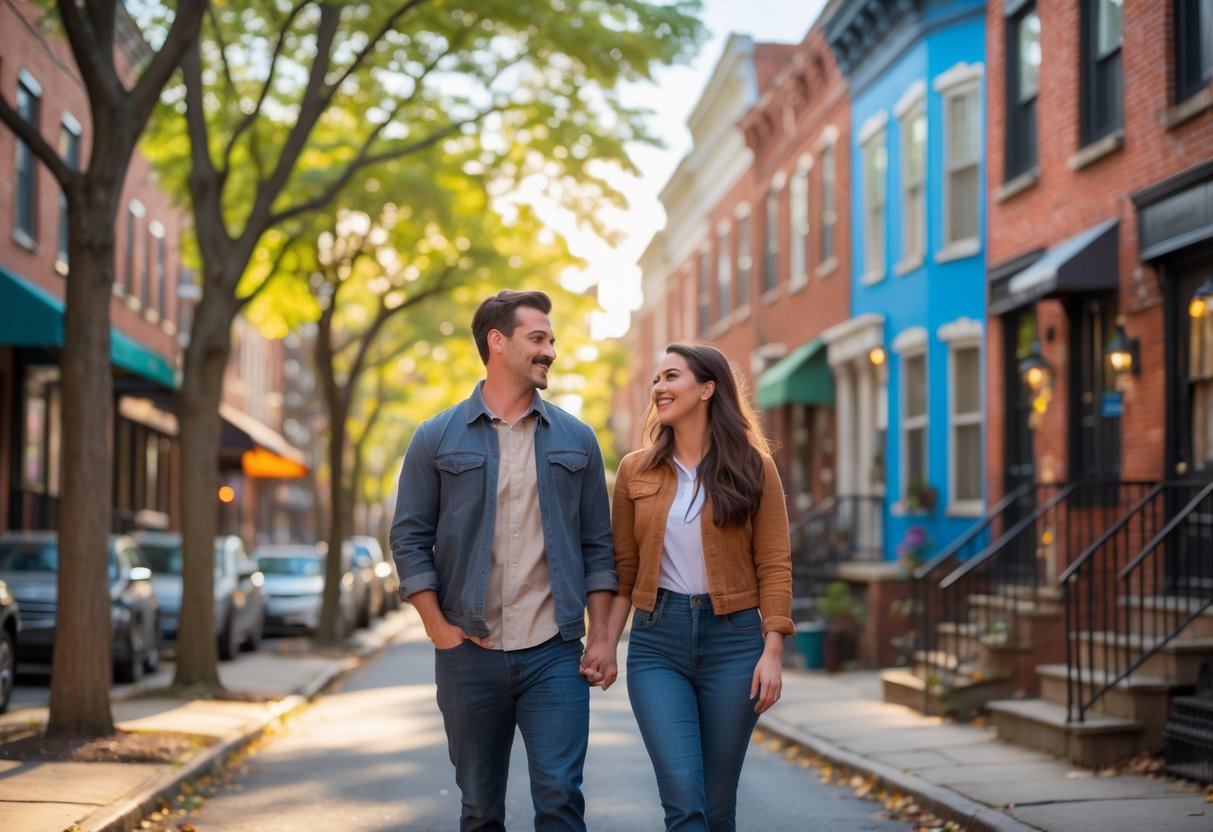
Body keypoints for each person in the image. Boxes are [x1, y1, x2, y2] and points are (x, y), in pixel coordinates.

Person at [390, 289, 617, 831]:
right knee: (480, 807)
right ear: (498, 342)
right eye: (538, 339)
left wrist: (603, 636)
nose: (551, 352)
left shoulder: (578, 440)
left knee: (561, 797)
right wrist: (438, 628)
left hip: (554, 654)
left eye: (552, 341)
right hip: (468, 652)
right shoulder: (434, 437)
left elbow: (599, 548)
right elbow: (409, 538)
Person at [602, 342, 793, 832]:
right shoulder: (634, 470)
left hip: (735, 644)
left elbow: (773, 563)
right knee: (685, 799)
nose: (659, 388)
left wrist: (772, 650)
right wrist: (602, 643)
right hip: (656, 645)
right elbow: (623, 570)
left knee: (717, 803)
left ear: (707, 389)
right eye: (657, 380)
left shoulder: (754, 467)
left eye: (671, 377)